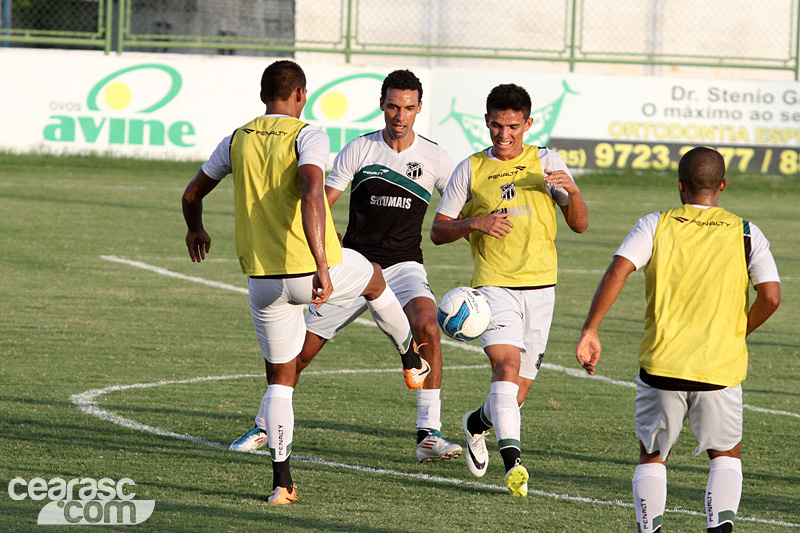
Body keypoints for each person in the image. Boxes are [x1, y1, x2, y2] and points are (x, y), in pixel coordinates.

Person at [181, 60, 426, 505]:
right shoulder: (307, 134)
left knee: (280, 379)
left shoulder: (238, 138)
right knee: (373, 278)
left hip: (262, 280)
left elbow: (191, 193)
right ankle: (411, 357)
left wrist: (195, 229)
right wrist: (322, 264)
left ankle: (282, 484)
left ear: (263, 97)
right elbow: (314, 191)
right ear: (301, 95)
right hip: (307, 269)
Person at [231, 69, 462, 463]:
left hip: (404, 266)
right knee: (298, 353)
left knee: (426, 322)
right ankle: (265, 424)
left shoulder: (437, 158)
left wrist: (479, 222)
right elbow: (322, 198)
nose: (399, 115)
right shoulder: (360, 149)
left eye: (408, 107)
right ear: (382, 105)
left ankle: (429, 433)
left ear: (419, 108)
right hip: (353, 265)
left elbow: (456, 210)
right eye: (392, 106)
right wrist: (320, 251)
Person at [575, 147, 781, 532]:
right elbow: (771, 296)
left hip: (661, 366)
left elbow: (618, 270)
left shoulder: (655, 224)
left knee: (652, 456)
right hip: (719, 368)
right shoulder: (747, 232)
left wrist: (591, 330)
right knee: (725, 455)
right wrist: (739, 331)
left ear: (680, 187)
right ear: (722, 186)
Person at [430, 83, 589, 496]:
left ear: (528, 124)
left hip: (541, 290)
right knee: (505, 370)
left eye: (513, 127)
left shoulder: (546, 161)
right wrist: (473, 223)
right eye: (497, 126)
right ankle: (513, 464)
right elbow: (438, 230)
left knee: (513, 398)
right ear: (486, 122)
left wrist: (571, 192)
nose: (504, 136)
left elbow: (579, 224)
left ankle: (474, 424)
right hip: (493, 285)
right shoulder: (470, 168)